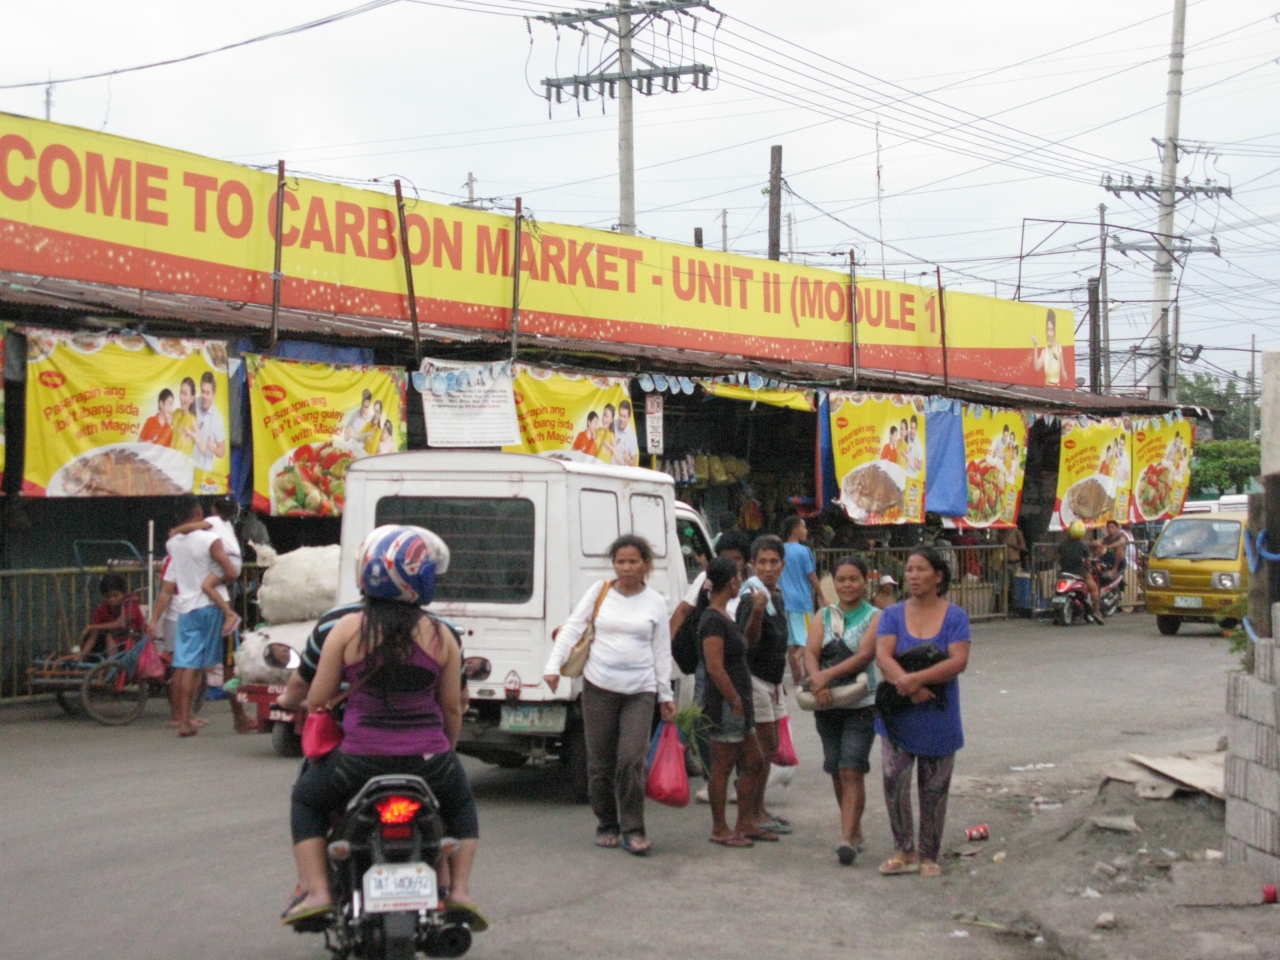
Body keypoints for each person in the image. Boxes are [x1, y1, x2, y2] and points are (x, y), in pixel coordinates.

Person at [285, 526, 485, 930]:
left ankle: (318, 892)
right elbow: (452, 706)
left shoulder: (346, 629)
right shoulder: (442, 635)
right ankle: (460, 892)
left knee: (306, 802)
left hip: (357, 760)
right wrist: (444, 750)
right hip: (429, 759)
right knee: (461, 806)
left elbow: (318, 698)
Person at [543, 534, 675, 856]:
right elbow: (573, 628)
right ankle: (606, 822)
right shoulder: (599, 592)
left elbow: (661, 651)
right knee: (600, 763)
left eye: (633, 562)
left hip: (640, 691)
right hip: (599, 688)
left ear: (646, 564)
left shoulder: (655, 602)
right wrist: (553, 666)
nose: (626, 568)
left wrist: (665, 694)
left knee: (631, 760)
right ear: (613, 564)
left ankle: (633, 827)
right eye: (620, 562)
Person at [875, 546, 971, 879]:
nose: (913, 576)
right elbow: (883, 656)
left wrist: (917, 679)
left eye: (921, 569)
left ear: (938, 576)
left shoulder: (955, 616)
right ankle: (904, 849)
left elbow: (958, 661)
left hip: (939, 713)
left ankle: (930, 853)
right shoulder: (892, 614)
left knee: (934, 788)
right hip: (898, 711)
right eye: (910, 570)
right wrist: (908, 685)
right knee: (894, 781)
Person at [803, 556, 881, 866]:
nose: (847, 585)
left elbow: (865, 655)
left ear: (865, 581)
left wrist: (826, 676)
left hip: (861, 702)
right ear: (833, 583)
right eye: (841, 579)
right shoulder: (823, 615)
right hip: (827, 703)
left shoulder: (876, 616)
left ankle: (846, 838)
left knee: (852, 768)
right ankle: (854, 829)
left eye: (853, 579)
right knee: (836, 768)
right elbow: (810, 652)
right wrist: (816, 681)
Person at [147, 495, 239, 737]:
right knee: (202, 667)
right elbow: (230, 572)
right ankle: (228, 717)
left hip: (185, 609)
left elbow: (167, 589)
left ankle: (183, 719)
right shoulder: (211, 540)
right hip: (210, 607)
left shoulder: (174, 545)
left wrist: (153, 620)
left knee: (186, 664)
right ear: (198, 513)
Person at [699, 557, 772, 848]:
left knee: (753, 760)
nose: (741, 582)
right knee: (723, 765)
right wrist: (733, 699)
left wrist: (757, 612)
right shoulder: (712, 620)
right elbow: (715, 667)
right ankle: (720, 827)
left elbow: (746, 644)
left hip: (740, 702)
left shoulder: (725, 616)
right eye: (739, 577)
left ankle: (744, 821)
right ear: (731, 582)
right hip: (726, 704)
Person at [736, 535, 791, 837]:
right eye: (763, 563)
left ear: (783, 565)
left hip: (773, 680)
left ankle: (759, 810)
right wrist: (757, 611)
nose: (768, 568)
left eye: (774, 562)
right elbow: (748, 642)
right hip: (754, 679)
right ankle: (749, 816)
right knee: (760, 752)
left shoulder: (776, 596)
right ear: (753, 565)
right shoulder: (751, 598)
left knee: (767, 751)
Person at [169, 498, 243, 637]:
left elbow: (195, 526)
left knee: (206, 586)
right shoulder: (226, 524)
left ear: (214, 509)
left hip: (229, 559)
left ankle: (229, 614)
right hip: (234, 559)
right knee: (213, 585)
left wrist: (177, 530)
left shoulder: (213, 520)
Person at [779, 516, 821, 684]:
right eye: (803, 527)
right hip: (802, 601)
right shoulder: (804, 551)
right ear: (795, 530)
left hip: (784, 600)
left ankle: (797, 677)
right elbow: (811, 576)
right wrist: (822, 596)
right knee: (809, 638)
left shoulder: (780, 550)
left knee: (791, 639)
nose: (806, 531)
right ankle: (797, 657)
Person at [78, 572, 146, 658]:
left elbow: (119, 623)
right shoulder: (102, 609)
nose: (112, 599)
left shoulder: (130, 602)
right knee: (95, 635)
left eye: (115, 595)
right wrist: (81, 656)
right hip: (116, 643)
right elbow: (93, 637)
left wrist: (91, 627)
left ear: (123, 593)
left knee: (110, 635)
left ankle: (113, 663)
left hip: (136, 640)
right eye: (108, 597)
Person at [1059, 520, 1101, 621]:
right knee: (1094, 588)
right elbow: (1088, 563)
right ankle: (1096, 612)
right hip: (1080, 573)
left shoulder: (1062, 545)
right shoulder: (1083, 546)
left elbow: (1059, 559)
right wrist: (1089, 569)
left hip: (1065, 572)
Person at [191, 372, 227, 476]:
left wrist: (213, 448)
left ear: (213, 394)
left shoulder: (217, 419)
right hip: (187, 466)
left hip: (204, 473)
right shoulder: (193, 404)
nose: (205, 397)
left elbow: (222, 451)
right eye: (203, 392)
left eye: (208, 393)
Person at [1031, 310, 1064, 386]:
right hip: (1047, 390)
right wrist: (1035, 345)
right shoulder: (1044, 352)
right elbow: (1036, 368)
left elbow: (1063, 370)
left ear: (1055, 331)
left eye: (1051, 330)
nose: (1049, 333)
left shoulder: (1058, 347)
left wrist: (1064, 373)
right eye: (1048, 329)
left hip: (1058, 390)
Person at [170, 377, 198, 456]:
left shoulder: (193, 420)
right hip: (169, 460)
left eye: (185, 394)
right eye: (181, 392)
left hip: (182, 463)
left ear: (192, 398)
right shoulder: (175, 413)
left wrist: (192, 435)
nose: (181, 397)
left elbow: (201, 444)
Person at [612, 400, 639, 467]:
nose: (621, 419)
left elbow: (633, 463)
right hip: (608, 468)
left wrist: (627, 460)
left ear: (629, 418)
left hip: (621, 471)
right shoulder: (612, 424)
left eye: (624, 416)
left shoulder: (632, 436)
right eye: (620, 415)